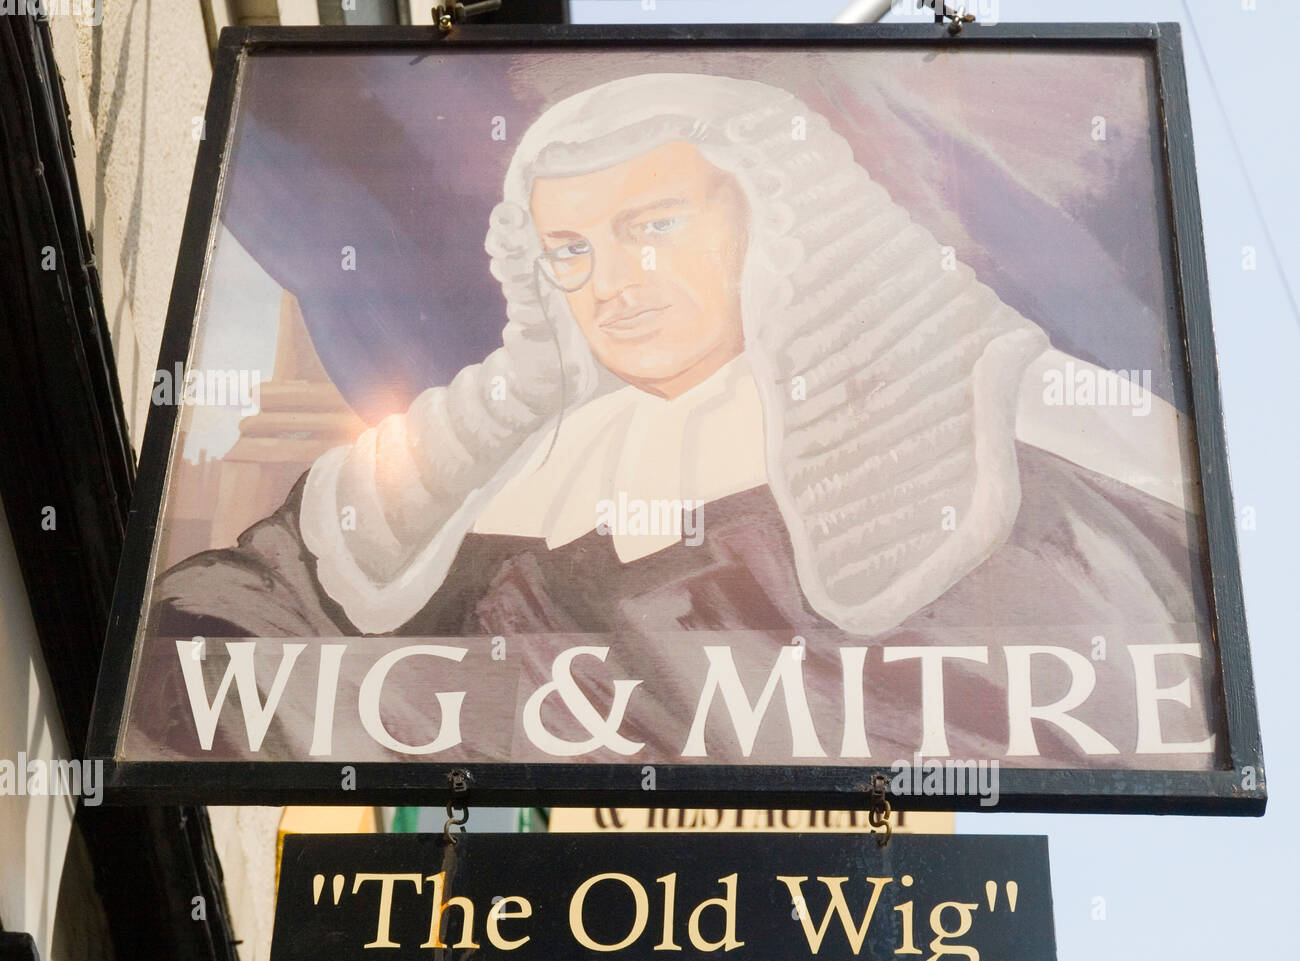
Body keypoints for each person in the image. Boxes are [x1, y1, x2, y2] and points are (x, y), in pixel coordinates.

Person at [143, 72, 1218, 768]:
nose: (609, 282)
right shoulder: (480, 463)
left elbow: (1102, 686)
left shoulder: (1024, 447)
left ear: (777, 217)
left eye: (651, 225)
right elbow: (190, 652)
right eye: (570, 250)